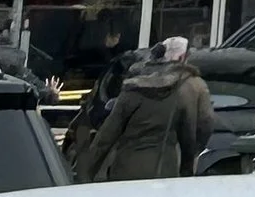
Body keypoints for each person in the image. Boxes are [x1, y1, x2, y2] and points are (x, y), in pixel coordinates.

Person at [71, 36, 214, 181]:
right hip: (166, 171)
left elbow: (106, 136)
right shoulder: (192, 86)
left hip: (125, 170)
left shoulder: (134, 84)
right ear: (183, 57)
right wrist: (188, 166)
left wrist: (86, 176)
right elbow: (201, 127)